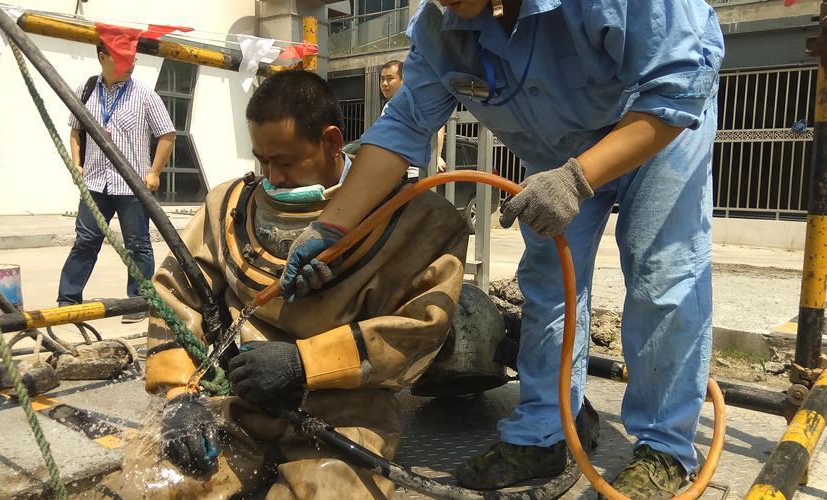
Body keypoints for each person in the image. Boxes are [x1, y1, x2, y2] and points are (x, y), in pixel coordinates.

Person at [281, 0, 724, 497]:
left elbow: (676, 84)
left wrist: (577, 179)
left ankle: (664, 448)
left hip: (657, 119)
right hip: (558, 143)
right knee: (549, 282)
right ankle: (544, 433)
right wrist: (332, 228)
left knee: (660, 271)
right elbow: (405, 125)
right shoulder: (438, 28)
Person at [92, 70, 469, 499]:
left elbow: (420, 330)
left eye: (286, 162)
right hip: (239, 401)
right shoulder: (229, 206)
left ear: (331, 141)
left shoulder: (416, 220)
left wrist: (302, 363)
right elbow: (176, 295)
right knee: (147, 488)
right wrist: (180, 394)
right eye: (262, 161)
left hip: (347, 412)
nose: (273, 175)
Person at [57, 42, 176, 322]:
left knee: (138, 245)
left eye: (133, 59)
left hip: (132, 186)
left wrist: (154, 172)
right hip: (95, 183)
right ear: (103, 57)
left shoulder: (144, 94)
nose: (131, 64)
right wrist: (76, 163)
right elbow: (75, 130)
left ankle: (138, 301)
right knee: (85, 242)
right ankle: (67, 299)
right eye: (124, 58)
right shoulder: (86, 89)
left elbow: (167, 135)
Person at [379, 59, 446, 181]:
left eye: (389, 78)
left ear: (403, 80)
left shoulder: (414, 102)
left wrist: (437, 156)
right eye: (382, 79)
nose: (384, 83)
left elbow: (439, 124)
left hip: (413, 174)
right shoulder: (389, 106)